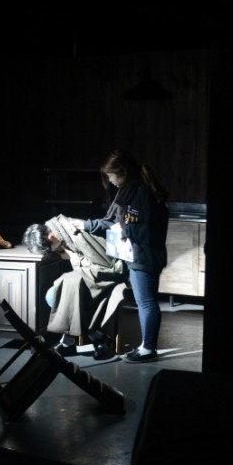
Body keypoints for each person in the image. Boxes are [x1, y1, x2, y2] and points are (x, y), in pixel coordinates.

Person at [71, 149, 169, 363]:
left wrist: (125, 231)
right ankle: (146, 347)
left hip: (146, 257)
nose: (109, 180)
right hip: (136, 257)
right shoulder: (127, 192)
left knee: (147, 303)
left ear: (122, 172)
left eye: (110, 175)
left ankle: (148, 349)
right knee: (145, 302)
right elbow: (114, 222)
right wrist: (86, 225)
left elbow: (150, 230)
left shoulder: (143, 193)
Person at [22, 215, 129, 360]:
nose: (52, 252)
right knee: (54, 295)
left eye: (49, 249)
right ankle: (94, 338)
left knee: (64, 292)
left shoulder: (76, 233)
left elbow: (105, 263)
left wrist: (73, 257)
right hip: (88, 274)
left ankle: (79, 341)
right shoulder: (60, 234)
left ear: (51, 236)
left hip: (107, 274)